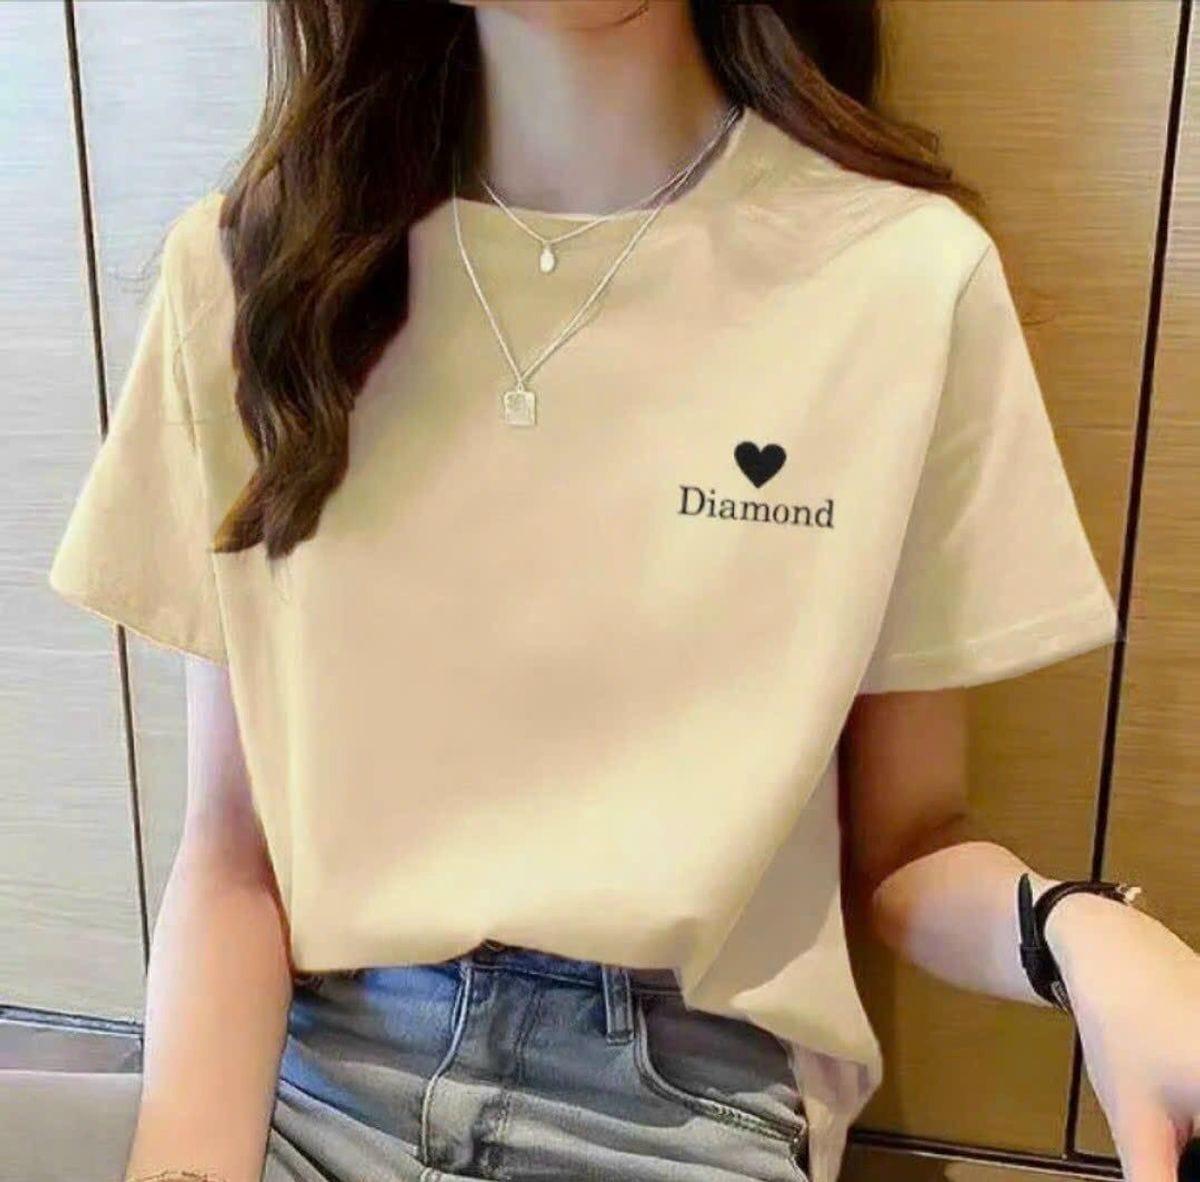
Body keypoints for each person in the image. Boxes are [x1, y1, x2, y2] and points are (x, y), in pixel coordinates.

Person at [45, 3, 1200, 1182]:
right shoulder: (255, 275)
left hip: (681, 1116)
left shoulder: (902, 279)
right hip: (310, 1084)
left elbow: (908, 845)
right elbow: (234, 857)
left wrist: (1083, 934)